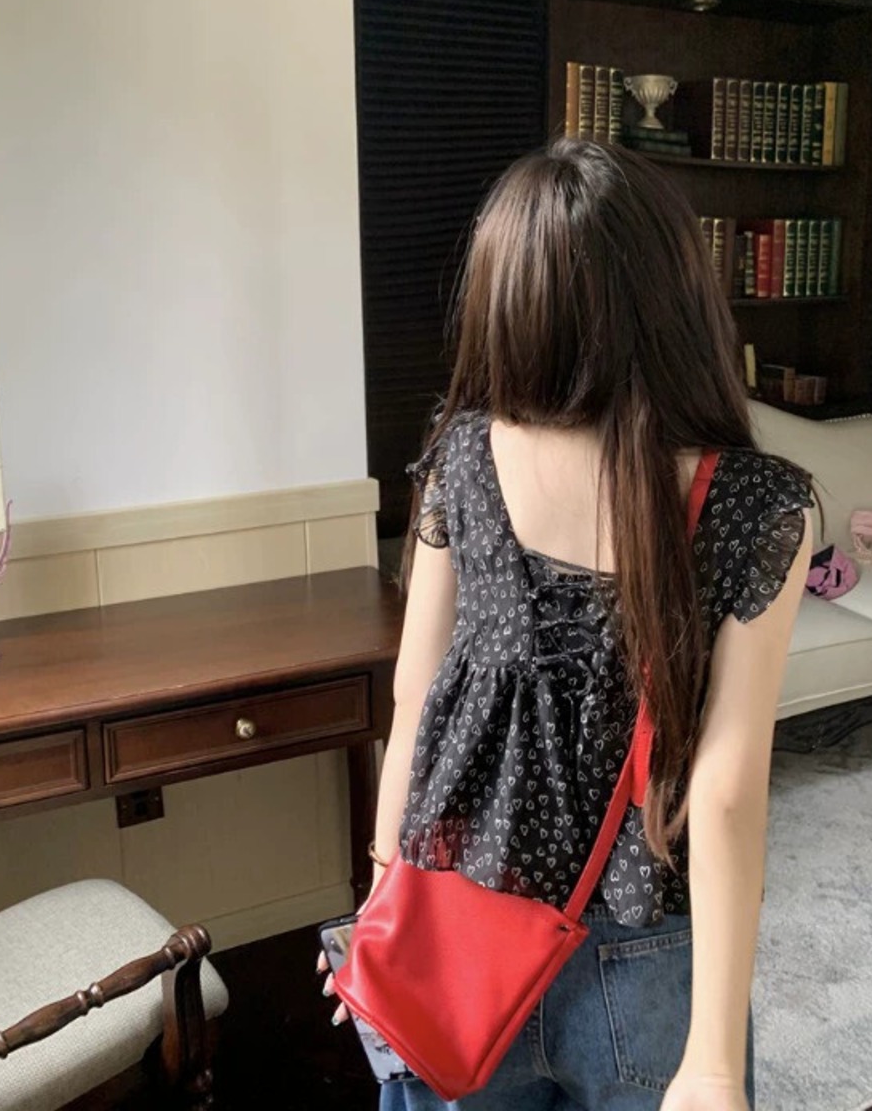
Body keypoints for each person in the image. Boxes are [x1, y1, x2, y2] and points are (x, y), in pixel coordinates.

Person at [318, 137, 814, 1110]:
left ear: (506, 299)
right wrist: (714, 1062)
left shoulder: (461, 454)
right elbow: (723, 790)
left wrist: (383, 901)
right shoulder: (755, 501)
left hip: (457, 924)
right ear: (677, 299)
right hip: (648, 946)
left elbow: (414, 697)